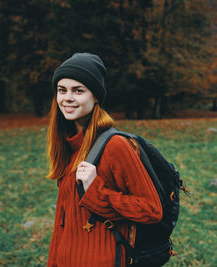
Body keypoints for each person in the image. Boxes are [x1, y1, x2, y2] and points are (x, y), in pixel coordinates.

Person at [46, 52, 163, 267]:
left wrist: (96, 191)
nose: (67, 98)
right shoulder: (68, 145)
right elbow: (63, 224)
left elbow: (151, 210)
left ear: (96, 96)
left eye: (78, 91)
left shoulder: (115, 146)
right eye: (62, 90)